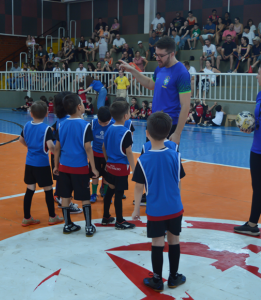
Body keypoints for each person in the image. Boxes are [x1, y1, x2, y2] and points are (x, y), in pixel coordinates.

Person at [132, 112, 186, 292]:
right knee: (174, 239)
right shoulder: (175, 155)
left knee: (157, 242)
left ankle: (157, 279)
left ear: (147, 133)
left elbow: (139, 187)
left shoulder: (143, 159)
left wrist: (137, 209)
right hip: (174, 207)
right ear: (168, 133)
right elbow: (177, 182)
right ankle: (173, 277)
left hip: (155, 210)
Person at [119, 36, 191, 145]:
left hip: (169, 125)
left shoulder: (182, 73)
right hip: (153, 122)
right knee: (149, 158)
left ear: (172, 54)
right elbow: (150, 84)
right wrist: (132, 71)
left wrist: (177, 133)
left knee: (166, 160)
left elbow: (185, 106)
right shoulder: (160, 67)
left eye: (161, 56)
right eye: (156, 54)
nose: (157, 58)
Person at [53, 93, 99, 237]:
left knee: (65, 196)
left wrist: (55, 166)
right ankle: (89, 226)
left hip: (64, 166)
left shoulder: (61, 124)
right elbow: (88, 148)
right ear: (79, 107)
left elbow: (57, 148)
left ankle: (67, 225)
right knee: (85, 196)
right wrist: (93, 167)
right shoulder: (85, 125)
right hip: (79, 167)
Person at [19, 101, 64, 227]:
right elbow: (50, 146)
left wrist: (31, 148)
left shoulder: (27, 125)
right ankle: (52, 216)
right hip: (42, 164)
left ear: (31, 113)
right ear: (46, 114)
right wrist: (58, 152)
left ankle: (26, 217)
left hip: (29, 163)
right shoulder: (46, 129)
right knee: (48, 190)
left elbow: (21, 139)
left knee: (30, 189)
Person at [234, 66, 261, 236]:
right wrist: (251, 126)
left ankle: (252, 224)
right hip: (257, 149)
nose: (257, 77)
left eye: (259, 74)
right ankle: (252, 224)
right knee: (257, 187)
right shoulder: (260, 94)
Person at [102, 100, 135, 229]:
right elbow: (129, 152)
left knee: (109, 191)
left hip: (110, 165)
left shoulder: (109, 128)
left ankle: (106, 216)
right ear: (126, 116)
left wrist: (107, 161)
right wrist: (134, 168)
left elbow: (104, 147)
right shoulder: (126, 132)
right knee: (119, 194)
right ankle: (120, 221)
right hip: (121, 168)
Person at [50, 92, 83, 214]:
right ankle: (64, 201)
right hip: (65, 155)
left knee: (61, 179)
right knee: (66, 180)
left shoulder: (60, 120)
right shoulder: (68, 121)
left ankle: (60, 197)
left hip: (58, 153)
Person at [89, 107, 115, 203]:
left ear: (111, 118)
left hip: (107, 156)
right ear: (97, 117)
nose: (103, 125)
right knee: (94, 175)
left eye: (105, 123)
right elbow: (88, 140)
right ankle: (94, 193)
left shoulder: (113, 126)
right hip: (95, 154)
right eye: (101, 122)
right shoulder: (93, 123)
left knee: (107, 175)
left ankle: (105, 192)